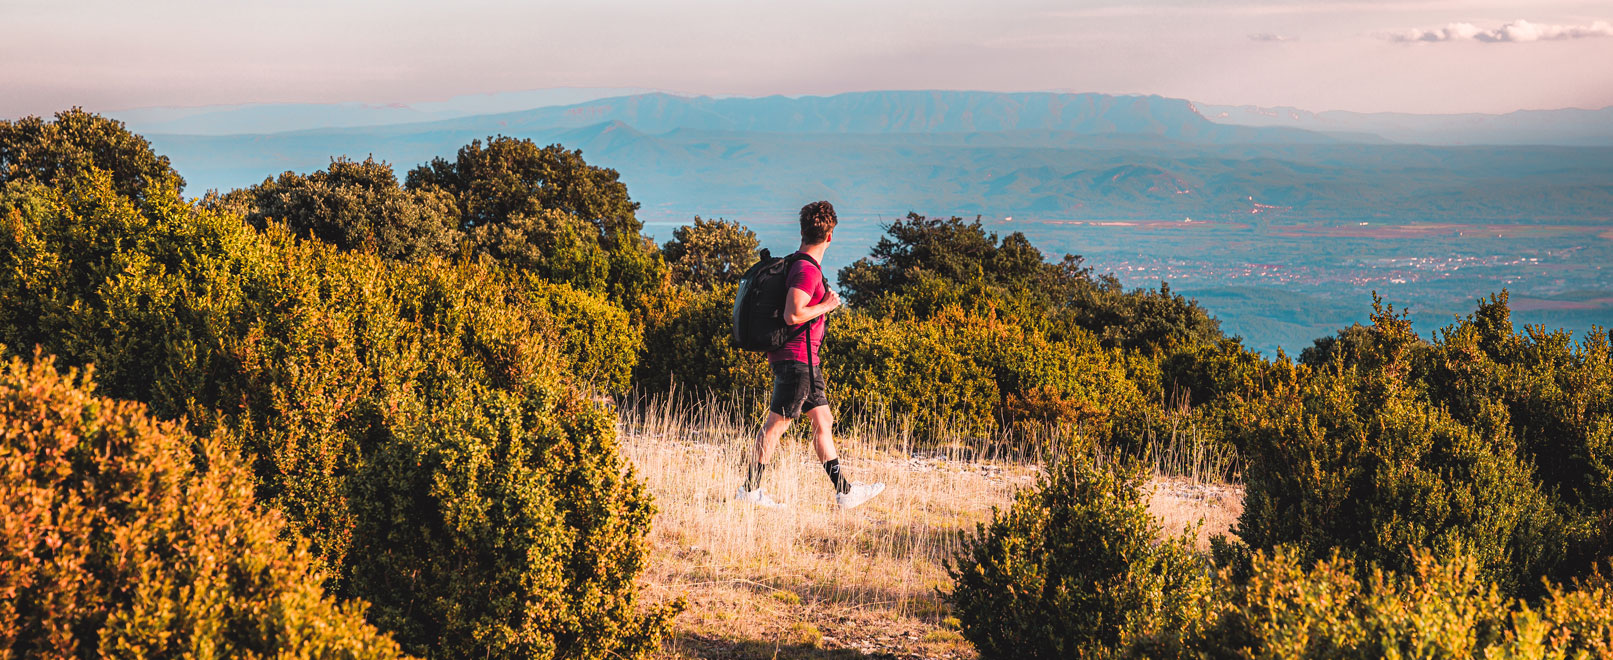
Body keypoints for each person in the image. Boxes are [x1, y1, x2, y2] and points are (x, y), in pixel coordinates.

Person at [735, 201, 885, 510]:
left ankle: (844, 492)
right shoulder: (805, 270)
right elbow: (793, 314)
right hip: (795, 361)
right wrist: (826, 306)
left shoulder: (799, 263)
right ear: (830, 237)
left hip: (806, 360)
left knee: (823, 419)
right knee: (776, 426)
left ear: (803, 231)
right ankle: (749, 490)